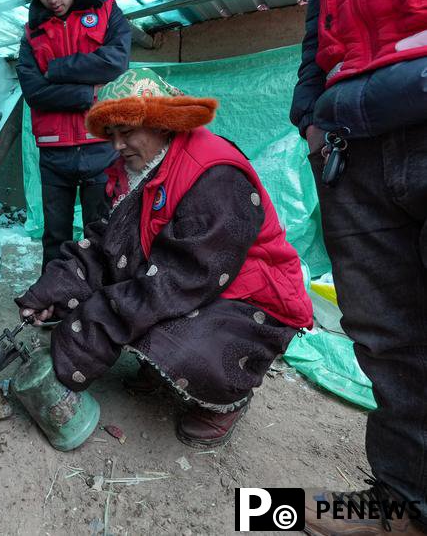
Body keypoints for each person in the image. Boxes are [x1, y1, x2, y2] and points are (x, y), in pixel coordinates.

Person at [17, 68, 312, 446]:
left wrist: (80, 338)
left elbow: (175, 282)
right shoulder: (136, 170)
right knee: (130, 293)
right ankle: (161, 365)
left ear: (162, 123)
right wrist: (51, 292)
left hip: (253, 297)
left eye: (127, 132)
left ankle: (227, 401)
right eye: (112, 135)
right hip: (195, 283)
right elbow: (103, 244)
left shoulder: (214, 173)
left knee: (161, 322)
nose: (117, 145)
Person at [290, 0, 427, 533]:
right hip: (352, 136)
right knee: (385, 340)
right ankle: (401, 505)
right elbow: (320, 13)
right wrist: (309, 117)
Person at [15, 0, 132, 269]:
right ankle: (54, 302)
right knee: (55, 238)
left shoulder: (106, 10)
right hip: (55, 155)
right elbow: (35, 92)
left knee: (101, 235)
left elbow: (115, 62)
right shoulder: (31, 33)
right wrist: (87, 94)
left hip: (100, 148)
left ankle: (95, 301)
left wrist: (56, 70)